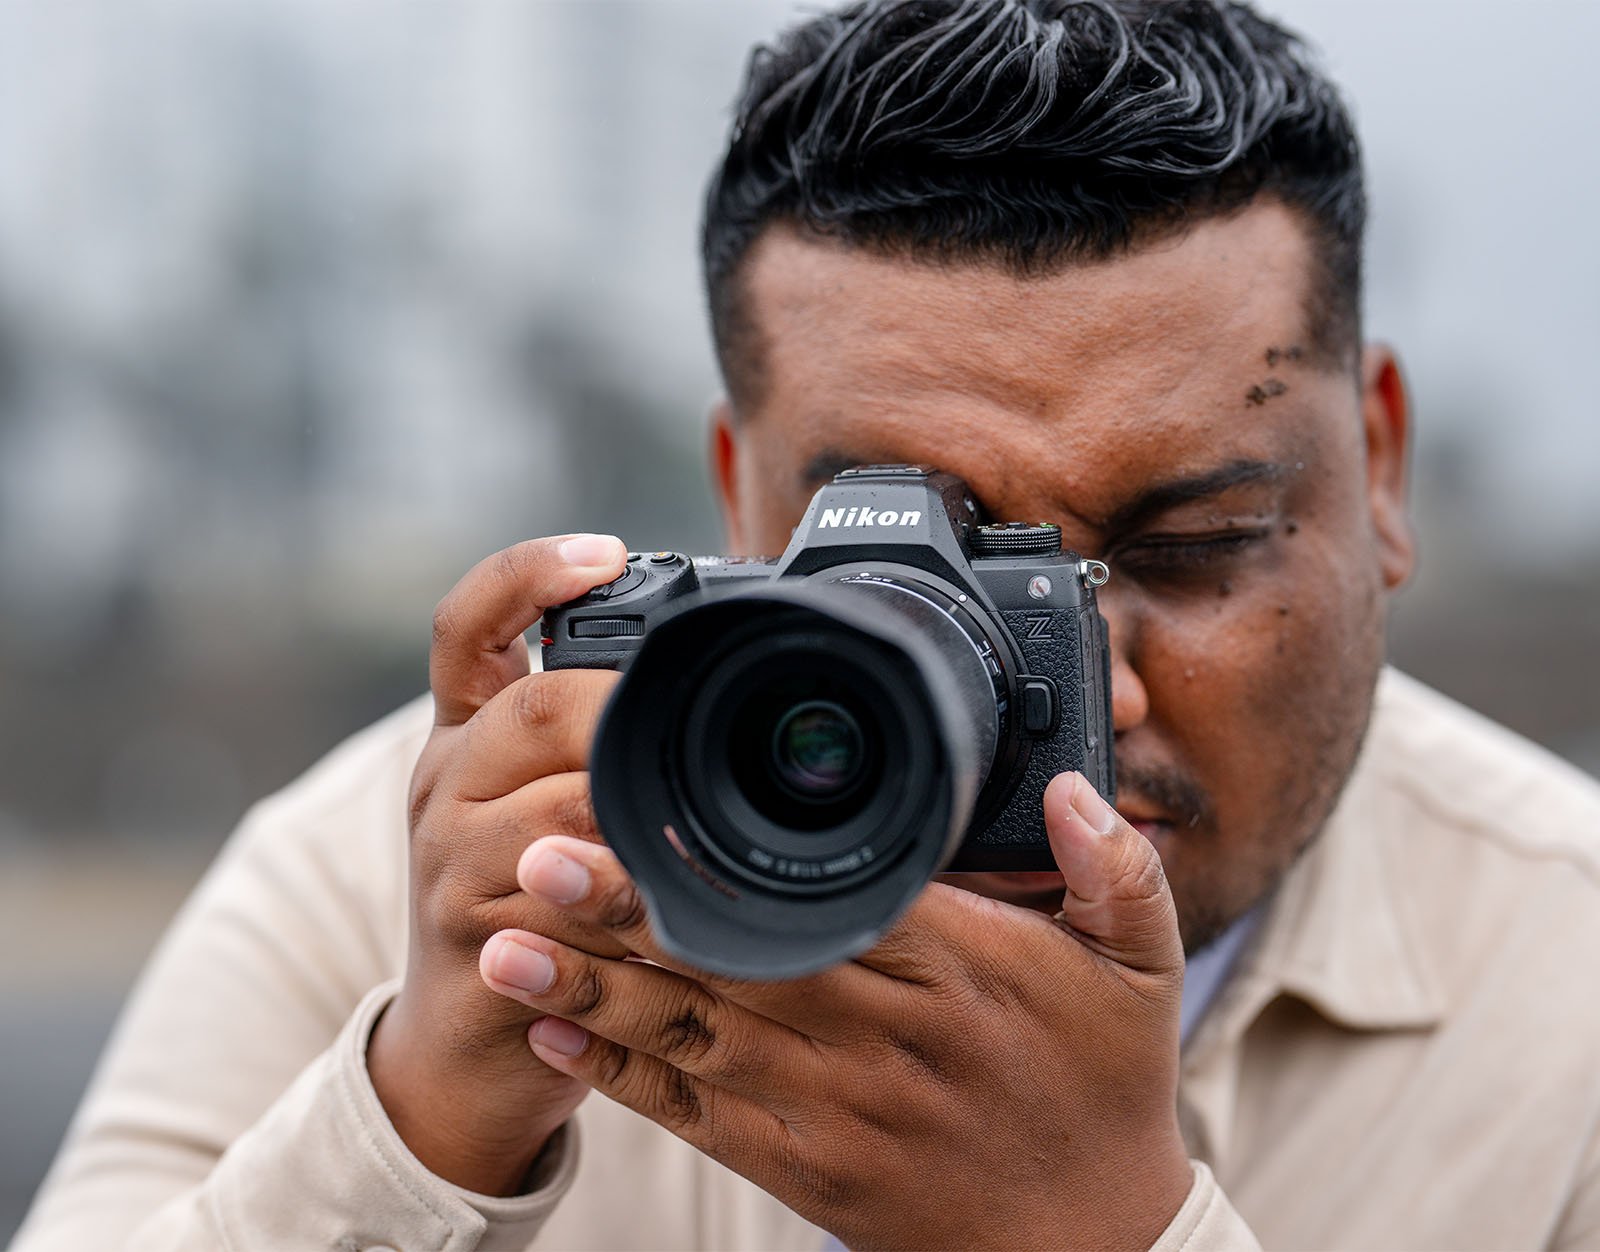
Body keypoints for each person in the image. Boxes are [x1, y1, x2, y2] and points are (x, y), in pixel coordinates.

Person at [16, 1, 1600, 1249]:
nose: (1083, 685)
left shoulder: (1570, 986)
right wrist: (420, 1119)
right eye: (920, 573)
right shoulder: (421, 870)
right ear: (743, 501)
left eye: (1190, 548)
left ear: (1380, 467)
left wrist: (1107, 1238)